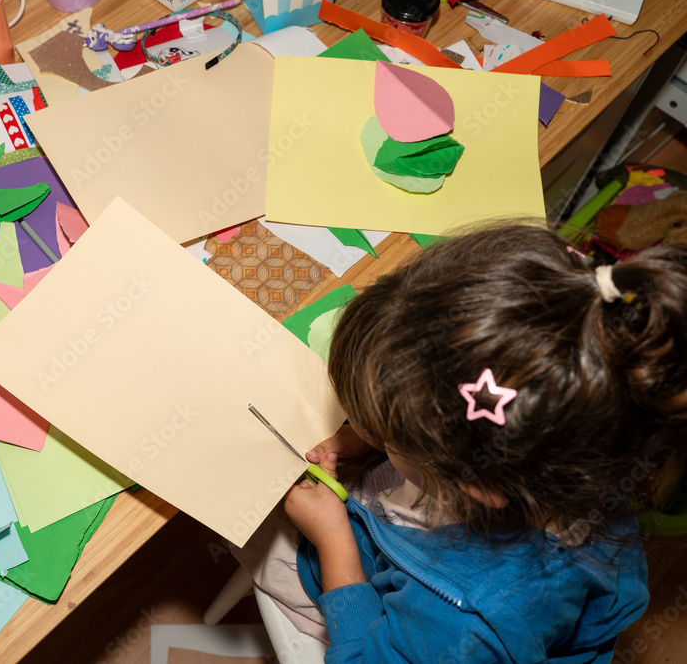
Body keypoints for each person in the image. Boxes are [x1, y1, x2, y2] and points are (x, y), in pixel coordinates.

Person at [255, 224, 687, 662]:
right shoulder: (575, 441)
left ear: (476, 483)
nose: (375, 431)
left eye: (391, 430)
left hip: (378, 615)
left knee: (258, 538)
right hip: (399, 554)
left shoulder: (466, 619)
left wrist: (333, 542)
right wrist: (375, 440)